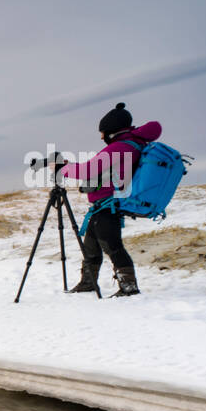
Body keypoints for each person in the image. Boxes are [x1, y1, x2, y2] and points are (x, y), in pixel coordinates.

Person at [56, 102, 161, 297]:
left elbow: (89, 169)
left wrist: (63, 168)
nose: (101, 137)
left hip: (109, 204)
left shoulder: (120, 147)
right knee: (92, 245)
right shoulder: (132, 144)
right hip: (104, 205)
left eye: (102, 132)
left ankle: (129, 287)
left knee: (112, 245)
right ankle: (87, 282)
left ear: (111, 130)